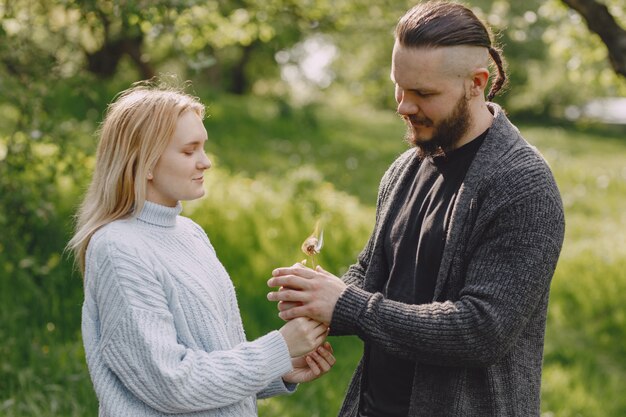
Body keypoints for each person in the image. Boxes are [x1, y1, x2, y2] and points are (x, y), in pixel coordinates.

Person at [266, 2, 565, 416]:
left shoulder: (522, 185)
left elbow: (482, 330)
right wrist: (321, 301)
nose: (404, 106)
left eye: (423, 93)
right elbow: (374, 273)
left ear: (477, 83)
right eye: (399, 87)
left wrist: (347, 305)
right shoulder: (405, 168)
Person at [67, 82, 335, 417]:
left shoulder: (191, 234)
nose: (205, 162)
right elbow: (170, 384)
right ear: (145, 162)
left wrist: (279, 368)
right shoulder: (118, 248)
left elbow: (212, 357)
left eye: (203, 148)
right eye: (189, 150)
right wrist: (277, 348)